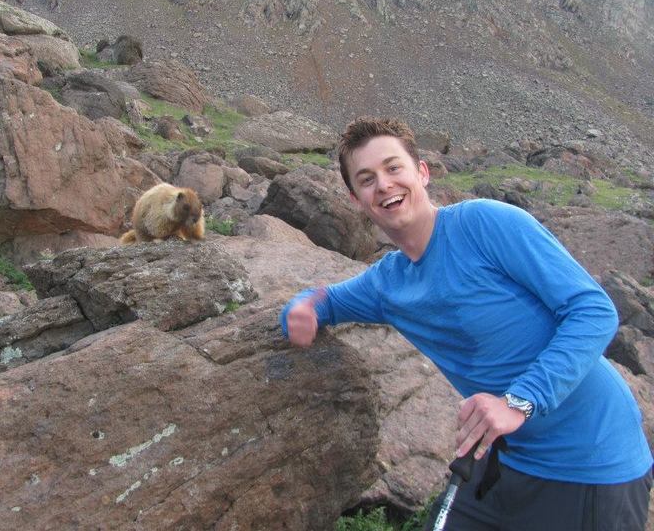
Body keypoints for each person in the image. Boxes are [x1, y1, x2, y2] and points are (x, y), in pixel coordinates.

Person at [280, 117, 653, 530]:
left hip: (591, 462)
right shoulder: (388, 283)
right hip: (506, 458)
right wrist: (300, 310)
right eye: (366, 179)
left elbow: (593, 310)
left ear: (422, 172)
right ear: (354, 199)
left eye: (393, 168)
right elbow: (325, 300)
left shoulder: (485, 224)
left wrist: (519, 401)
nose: (383, 185)